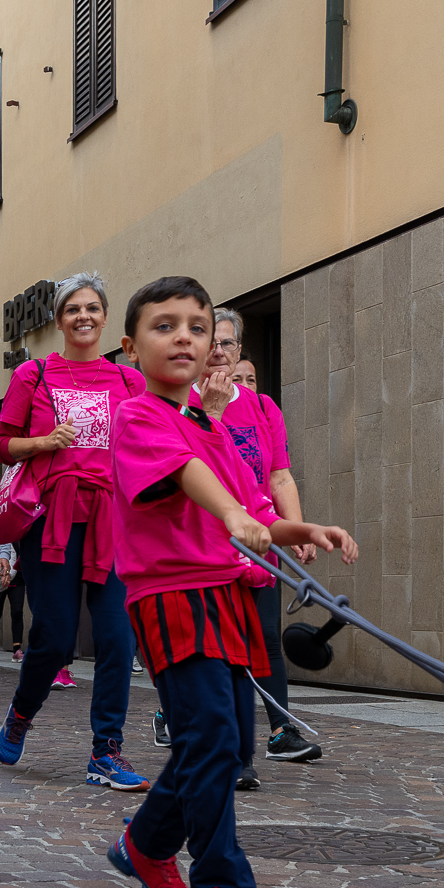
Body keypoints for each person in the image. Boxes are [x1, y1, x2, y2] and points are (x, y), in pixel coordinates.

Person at [103, 276, 358, 888]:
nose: (184, 337)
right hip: (171, 598)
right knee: (213, 737)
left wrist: (301, 530)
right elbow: (192, 477)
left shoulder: (209, 424)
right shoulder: (139, 417)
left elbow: (249, 504)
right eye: (164, 326)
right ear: (131, 347)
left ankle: (146, 843)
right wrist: (234, 513)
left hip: (226, 595)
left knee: (219, 743)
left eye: (195, 325)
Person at [0, 271, 149, 790]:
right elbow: (1, 446)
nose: (83, 316)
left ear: (106, 318)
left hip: (114, 520)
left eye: (93, 308)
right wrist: (43, 443)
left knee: (117, 637)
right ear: (59, 319)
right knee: (54, 636)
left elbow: (154, 443)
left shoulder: (129, 381)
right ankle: (20, 713)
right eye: (73, 309)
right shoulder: (34, 376)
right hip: (51, 520)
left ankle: (107, 750)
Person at [196, 310, 325, 783]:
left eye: (228, 344)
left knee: (265, 636)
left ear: (239, 351)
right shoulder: (180, 401)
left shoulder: (262, 408)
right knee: (219, 648)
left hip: (260, 539)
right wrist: (206, 413)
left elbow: (279, 474)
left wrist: (297, 528)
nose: (218, 352)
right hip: (206, 544)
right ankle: (231, 751)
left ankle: (279, 731)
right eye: (211, 341)